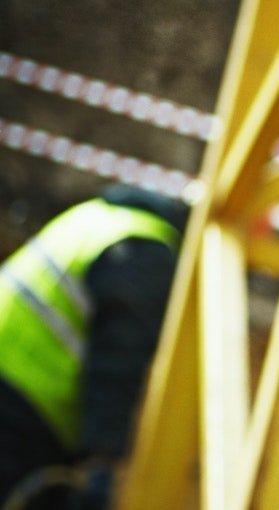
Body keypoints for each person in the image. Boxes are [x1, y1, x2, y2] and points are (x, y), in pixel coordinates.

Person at [0, 184, 186, 509]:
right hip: (22, 402)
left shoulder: (98, 216)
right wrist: (102, 461)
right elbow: (118, 360)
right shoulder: (147, 247)